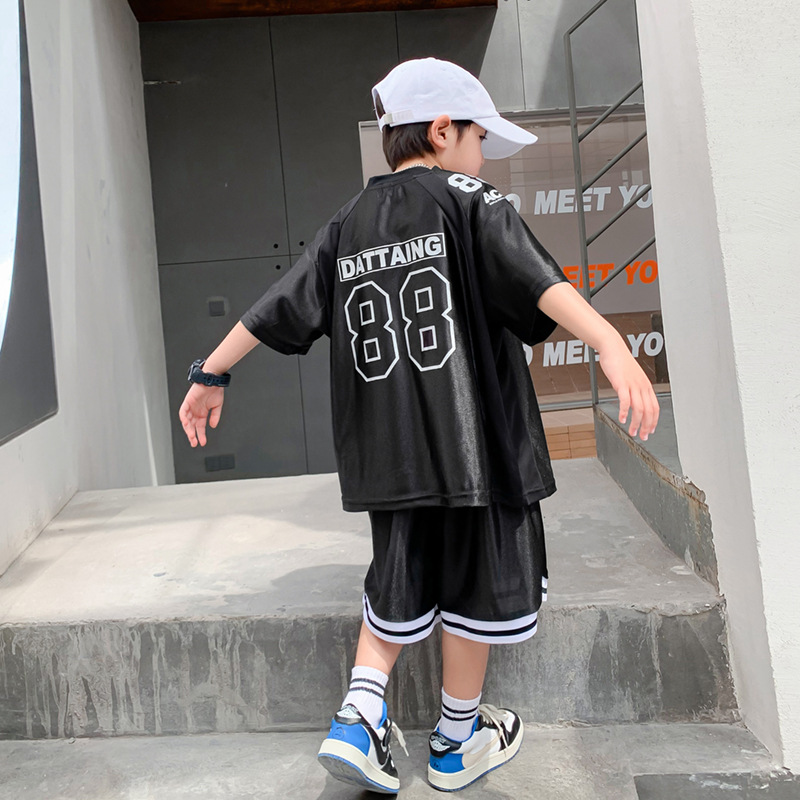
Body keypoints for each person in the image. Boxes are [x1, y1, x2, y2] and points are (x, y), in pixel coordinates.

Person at [179, 58, 659, 794]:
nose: (482, 155)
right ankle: (455, 742)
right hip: (480, 455)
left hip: (392, 461)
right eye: (479, 138)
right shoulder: (472, 200)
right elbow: (541, 281)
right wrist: (608, 343)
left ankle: (359, 715)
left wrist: (210, 374)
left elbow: (276, 306)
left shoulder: (346, 223)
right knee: (475, 598)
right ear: (441, 131)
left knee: (395, 584)